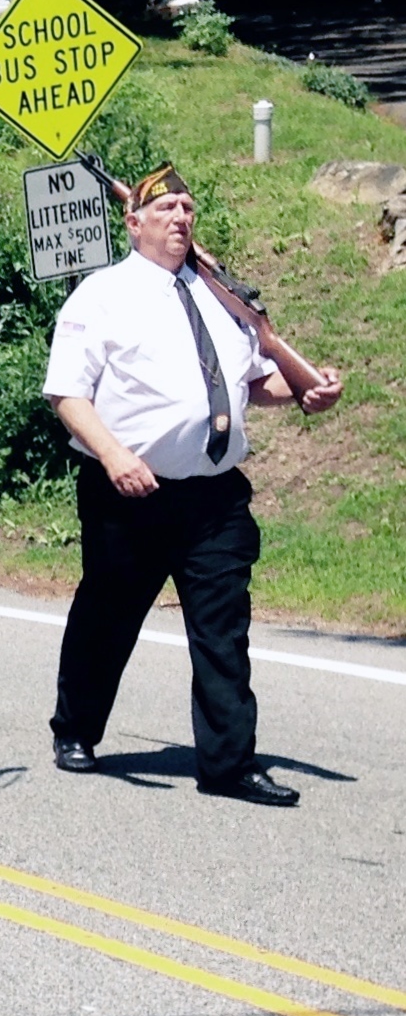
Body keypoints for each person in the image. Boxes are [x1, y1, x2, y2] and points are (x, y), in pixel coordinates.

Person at [45, 163, 341, 804]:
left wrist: (305, 392)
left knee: (222, 629)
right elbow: (66, 393)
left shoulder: (222, 298)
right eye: (166, 208)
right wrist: (114, 455)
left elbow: (257, 382)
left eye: (187, 208)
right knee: (108, 614)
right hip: (129, 492)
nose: (180, 218)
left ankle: (230, 764)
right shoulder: (101, 296)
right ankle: (75, 728)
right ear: (133, 222)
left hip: (212, 496)